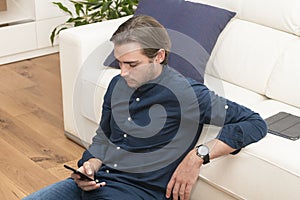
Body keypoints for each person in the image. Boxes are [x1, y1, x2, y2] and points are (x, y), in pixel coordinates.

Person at [24, 15, 267, 200]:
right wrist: (91, 165)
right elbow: (105, 138)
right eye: (119, 63)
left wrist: (198, 156)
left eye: (132, 64)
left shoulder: (187, 94)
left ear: (159, 56)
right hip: (95, 182)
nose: (123, 72)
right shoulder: (117, 85)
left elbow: (254, 123)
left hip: (136, 192)